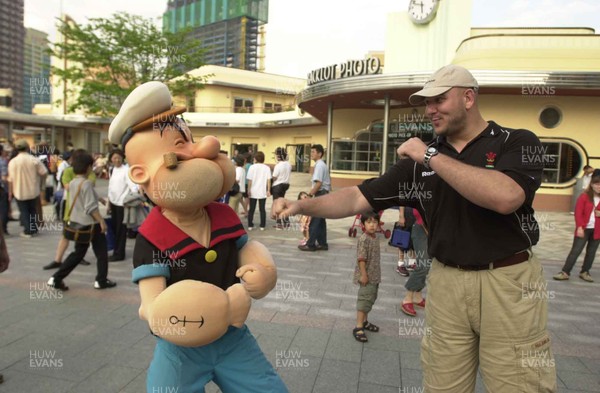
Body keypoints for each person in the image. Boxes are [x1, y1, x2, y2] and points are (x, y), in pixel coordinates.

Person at [275, 64, 556, 392]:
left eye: (439, 100)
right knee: (441, 382)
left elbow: (506, 196)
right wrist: (302, 205)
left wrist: (429, 155)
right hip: (446, 281)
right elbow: (357, 198)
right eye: (427, 102)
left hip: (508, 281)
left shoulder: (515, 141)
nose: (430, 109)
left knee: (519, 383)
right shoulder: (418, 164)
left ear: (468, 98)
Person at [108, 81, 286, 392]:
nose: (205, 149)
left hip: (234, 341)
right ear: (141, 174)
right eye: (180, 147)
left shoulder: (223, 215)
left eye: (191, 140)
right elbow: (154, 310)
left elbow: (248, 250)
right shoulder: (152, 237)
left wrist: (264, 273)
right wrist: (220, 309)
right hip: (180, 350)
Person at [47, 151, 116, 291]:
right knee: (101, 253)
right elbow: (90, 207)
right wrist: (101, 222)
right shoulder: (87, 183)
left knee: (78, 253)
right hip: (91, 224)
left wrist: (100, 199)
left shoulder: (72, 183)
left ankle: (56, 277)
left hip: (77, 223)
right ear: (89, 167)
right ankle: (101, 280)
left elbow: (83, 194)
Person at [44, 149, 95, 270]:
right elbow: (67, 187)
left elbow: (90, 185)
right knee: (65, 235)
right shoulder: (68, 171)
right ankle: (58, 260)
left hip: (83, 207)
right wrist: (81, 181)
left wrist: (79, 182)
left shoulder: (90, 172)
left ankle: (78, 256)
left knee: (81, 233)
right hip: (70, 206)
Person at [553, 169, 600, 283]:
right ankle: (565, 272)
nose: (599, 187)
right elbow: (578, 213)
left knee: (591, 252)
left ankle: (585, 272)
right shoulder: (584, 197)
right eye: (597, 184)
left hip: (597, 230)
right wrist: (579, 227)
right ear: (592, 184)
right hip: (584, 228)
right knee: (576, 251)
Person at [7, 139, 48, 238]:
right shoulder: (34, 160)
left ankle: (28, 231)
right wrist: (40, 181)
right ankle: (33, 228)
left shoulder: (13, 162)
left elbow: (10, 179)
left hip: (19, 190)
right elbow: (44, 172)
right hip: (33, 189)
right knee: (33, 210)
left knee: (24, 210)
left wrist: (10, 192)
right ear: (27, 148)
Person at [352, 211, 382, 343]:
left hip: (374, 276)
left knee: (370, 298)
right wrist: (364, 275)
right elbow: (361, 259)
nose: (372, 225)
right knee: (364, 300)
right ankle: (358, 327)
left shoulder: (375, 237)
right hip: (366, 276)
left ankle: (365, 322)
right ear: (363, 224)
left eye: (375, 222)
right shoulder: (364, 239)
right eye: (369, 222)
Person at [298, 144, 330, 251]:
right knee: (320, 221)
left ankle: (310, 244)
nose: (311, 154)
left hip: (321, 194)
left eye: (313, 152)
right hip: (324, 194)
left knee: (315, 220)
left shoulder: (319, 165)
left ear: (320, 153)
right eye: (311, 152)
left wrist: (310, 195)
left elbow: (318, 183)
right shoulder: (321, 164)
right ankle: (322, 243)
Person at [106, 149, 135, 261]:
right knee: (114, 228)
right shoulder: (112, 170)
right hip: (113, 203)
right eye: (114, 158)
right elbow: (110, 187)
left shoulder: (126, 170)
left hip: (122, 205)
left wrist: (126, 200)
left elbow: (133, 187)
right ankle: (115, 250)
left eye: (119, 157)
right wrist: (108, 204)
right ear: (111, 159)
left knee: (120, 230)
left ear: (123, 158)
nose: (116, 160)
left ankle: (119, 253)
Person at [400, 209, 429, 317]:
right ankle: (407, 299)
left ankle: (417, 297)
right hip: (421, 229)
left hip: (431, 230)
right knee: (423, 265)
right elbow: (418, 213)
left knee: (427, 265)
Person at [246, 151, 271, 231]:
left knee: (251, 209)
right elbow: (268, 180)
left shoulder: (252, 167)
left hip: (253, 191)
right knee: (262, 209)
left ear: (256, 158)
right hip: (262, 191)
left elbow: (250, 180)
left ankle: (250, 225)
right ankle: (262, 225)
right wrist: (268, 190)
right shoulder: (267, 168)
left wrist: (248, 190)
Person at [271, 147, 292, 229]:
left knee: (277, 205)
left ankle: (279, 223)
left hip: (277, 185)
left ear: (279, 156)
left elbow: (274, 177)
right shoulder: (288, 164)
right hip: (285, 185)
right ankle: (286, 222)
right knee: (282, 203)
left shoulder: (278, 165)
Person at [0, 145, 9, 235]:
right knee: (3, 209)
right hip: (2, 188)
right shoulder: (2, 162)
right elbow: (4, 177)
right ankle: (3, 229)